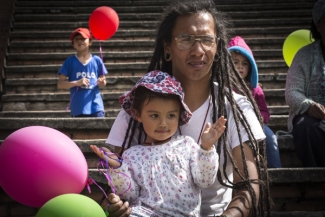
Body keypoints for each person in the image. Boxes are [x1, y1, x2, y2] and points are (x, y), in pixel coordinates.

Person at [102, 0, 271, 216]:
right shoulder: (137, 108)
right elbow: (121, 186)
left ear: (217, 48)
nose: (198, 50)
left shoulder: (236, 107)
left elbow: (249, 186)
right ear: (167, 47)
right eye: (185, 39)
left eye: (207, 40)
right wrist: (117, 205)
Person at [91, 70, 227, 217]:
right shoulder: (132, 154)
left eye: (171, 115)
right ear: (138, 115)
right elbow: (131, 195)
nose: (163, 123)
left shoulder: (187, 145)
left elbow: (204, 180)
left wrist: (206, 148)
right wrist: (117, 168)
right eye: (154, 115)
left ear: (179, 115)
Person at [228, 36, 282, 168]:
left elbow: (264, 111)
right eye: (235, 62)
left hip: (254, 125)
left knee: (270, 137)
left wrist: (258, 120)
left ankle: (276, 169)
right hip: (229, 125)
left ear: (251, 66)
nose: (240, 67)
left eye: (244, 63)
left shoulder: (255, 88)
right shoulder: (223, 87)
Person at [285, 0, 325, 167]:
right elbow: (292, 92)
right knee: (305, 128)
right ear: (318, 25)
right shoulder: (304, 55)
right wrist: (309, 106)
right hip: (313, 119)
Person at [57, 27, 108, 117]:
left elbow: (103, 82)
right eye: (76, 39)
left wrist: (102, 82)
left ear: (90, 42)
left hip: (96, 106)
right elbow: (60, 84)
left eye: (83, 38)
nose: (80, 41)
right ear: (73, 44)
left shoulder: (97, 60)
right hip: (78, 107)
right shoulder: (69, 61)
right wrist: (76, 83)